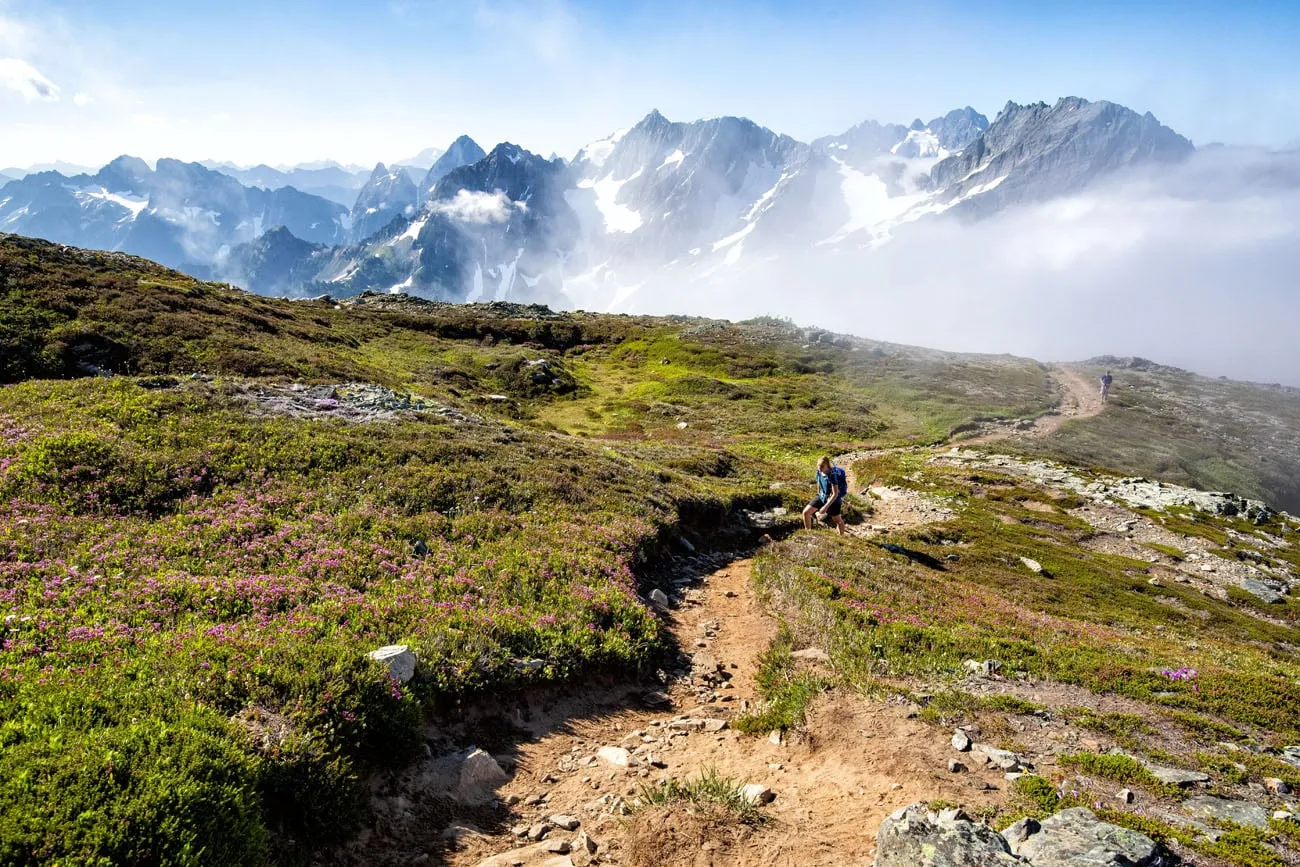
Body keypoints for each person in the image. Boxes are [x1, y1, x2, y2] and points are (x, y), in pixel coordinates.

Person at [803, 456, 847, 536]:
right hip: (822, 496)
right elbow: (819, 483)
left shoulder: (832, 475)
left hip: (834, 500)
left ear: (827, 466)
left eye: (822, 466)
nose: (820, 468)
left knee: (837, 520)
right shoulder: (819, 471)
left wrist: (825, 507)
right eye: (818, 465)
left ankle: (842, 536)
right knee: (806, 513)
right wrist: (818, 496)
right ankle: (808, 534)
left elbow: (835, 493)